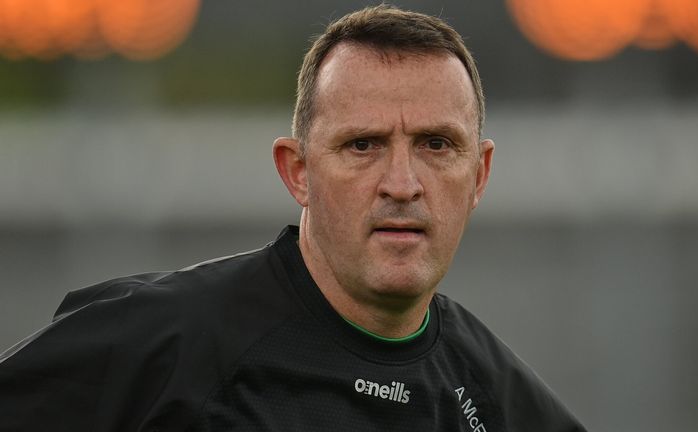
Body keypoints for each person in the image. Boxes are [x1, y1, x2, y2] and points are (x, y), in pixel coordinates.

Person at [0, 5, 586, 431]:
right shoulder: (157, 346)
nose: (403, 184)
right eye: (363, 145)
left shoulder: (503, 404)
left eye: (436, 145)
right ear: (298, 172)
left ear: (479, 175)